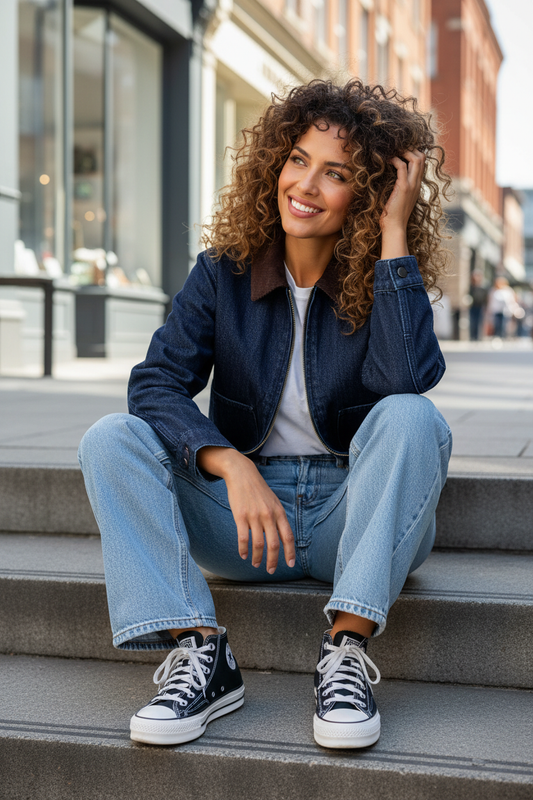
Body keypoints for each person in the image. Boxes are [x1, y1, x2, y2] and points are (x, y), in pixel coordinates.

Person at [79, 80, 452, 750]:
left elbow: (404, 381)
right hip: (245, 525)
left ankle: (344, 651)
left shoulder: (382, 278)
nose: (305, 185)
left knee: (410, 419)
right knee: (111, 437)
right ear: (275, 162)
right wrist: (228, 464)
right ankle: (200, 653)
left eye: (335, 173)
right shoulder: (222, 272)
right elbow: (157, 384)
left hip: (355, 520)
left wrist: (394, 231)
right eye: (298, 160)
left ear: (365, 195)